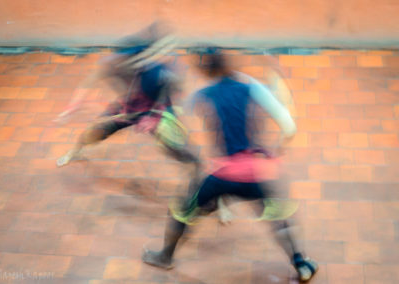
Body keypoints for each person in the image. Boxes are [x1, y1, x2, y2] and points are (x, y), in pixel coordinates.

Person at [142, 47, 318, 282]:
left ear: (206, 70)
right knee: (280, 218)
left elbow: (183, 111)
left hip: (221, 176)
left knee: (182, 210)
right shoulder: (252, 88)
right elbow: (289, 126)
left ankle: (165, 257)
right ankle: (301, 263)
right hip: (255, 174)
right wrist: (276, 149)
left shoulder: (203, 94)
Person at [55, 23, 200, 180]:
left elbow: (173, 93)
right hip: (128, 109)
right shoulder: (111, 64)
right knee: (94, 131)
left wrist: (155, 118)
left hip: (155, 111)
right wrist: (72, 107)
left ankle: (197, 169)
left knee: (176, 148)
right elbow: (88, 83)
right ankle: (75, 152)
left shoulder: (157, 72)